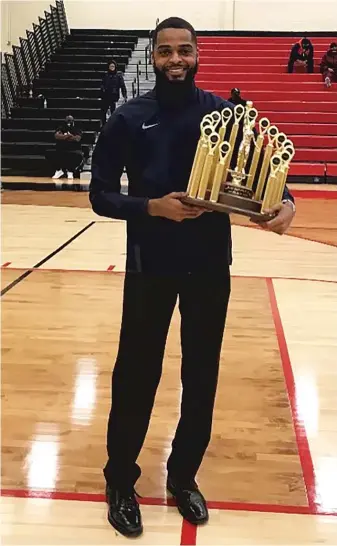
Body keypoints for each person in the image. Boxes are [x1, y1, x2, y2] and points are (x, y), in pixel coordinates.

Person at [90, 17, 296, 538]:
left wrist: (286, 204)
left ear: (198, 54)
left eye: (185, 50)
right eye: (165, 52)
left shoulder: (224, 115)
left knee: (200, 376)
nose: (175, 60)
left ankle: (183, 477)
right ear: (154, 57)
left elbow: (266, 175)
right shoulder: (128, 119)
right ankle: (120, 480)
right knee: (136, 375)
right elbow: (100, 195)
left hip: (208, 265)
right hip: (149, 264)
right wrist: (151, 206)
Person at [50, 115, 83, 180]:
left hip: (74, 148)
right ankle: (59, 170)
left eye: (70, 121)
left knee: (73, 155)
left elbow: (77, 138)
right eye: (67, 122)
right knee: (55, 153)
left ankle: (70, 171)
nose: (69, 123)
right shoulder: (61, 128)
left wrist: (65, 137)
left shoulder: (77, 129)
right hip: (61, 148)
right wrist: (68, 136)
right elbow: (57, 136)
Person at [100, 59, 127, 126]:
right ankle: (104, 124)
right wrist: (103, 89)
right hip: (106, 96)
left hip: (114, 96)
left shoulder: (118, 76)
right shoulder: (106, 75)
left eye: (113, 66)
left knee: (113, 111)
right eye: (110, 66)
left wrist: (124, 95)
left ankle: (112, 125)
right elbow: (102, 84)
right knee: (103, 111)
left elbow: (122, 85)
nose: (112, 68)